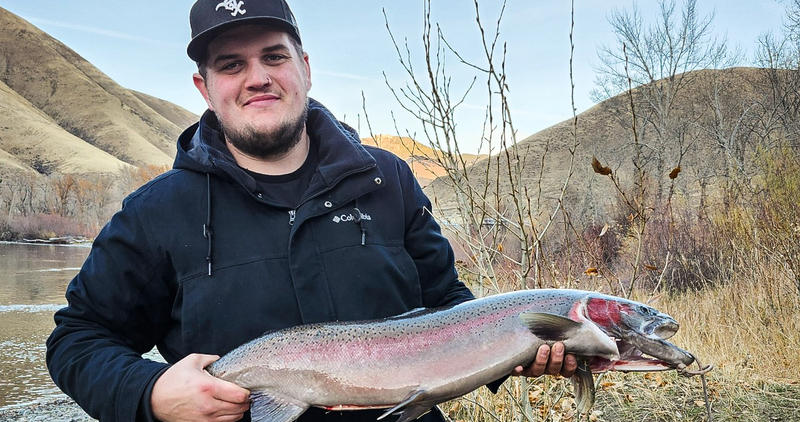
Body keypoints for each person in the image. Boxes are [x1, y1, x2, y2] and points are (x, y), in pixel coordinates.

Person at [46, 1, 577, 421]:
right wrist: (152, 393)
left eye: (274, 56)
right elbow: (78, 340)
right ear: (205, 89)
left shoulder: (387, 179)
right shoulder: (154, 212)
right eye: (232, 65)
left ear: (304, 67)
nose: (258, 77)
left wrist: (518, 346)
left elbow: (448, 306)